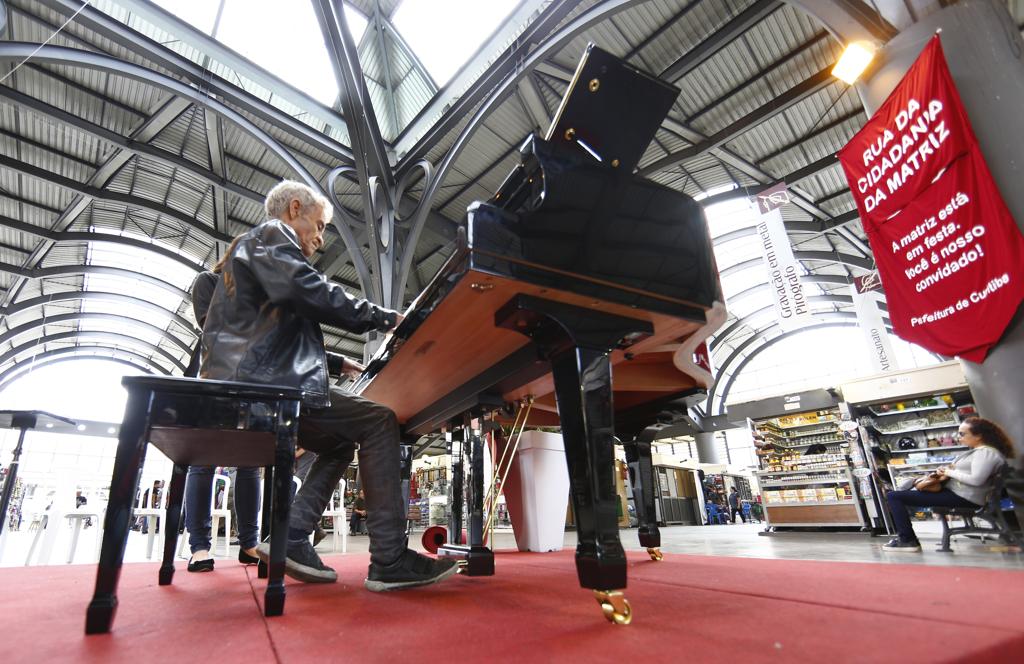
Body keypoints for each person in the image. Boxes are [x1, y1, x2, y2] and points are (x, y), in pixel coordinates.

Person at [200, 180, 457, 591]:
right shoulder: (272, 234)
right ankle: (389, 558)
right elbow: (308, 291)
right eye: (318, 226)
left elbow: (269, 327)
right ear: (294, 209)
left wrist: (336, 361)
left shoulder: (248, 252)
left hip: (250, 381)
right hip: (267, 388)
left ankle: (294, 536)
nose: (319, 240)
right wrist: (386, 318)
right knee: (379, 421)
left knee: (339, 443)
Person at [183, 239, 263, 573]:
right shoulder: (208, 282)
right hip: (212, 383)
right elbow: (212, 327)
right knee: (202, 463)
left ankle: (249, 544)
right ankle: (199, 546)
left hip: (251, 388)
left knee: (249, 466)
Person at [883, 416, 1015, 552]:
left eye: (963, 434)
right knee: (899, 494)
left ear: (979, 435)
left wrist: (949, 472)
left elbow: (977, 480)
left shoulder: (985, 453)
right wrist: (947, 471)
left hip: (964, 497)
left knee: (894, 496)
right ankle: (906, 536)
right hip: (960, 494)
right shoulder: (982, 452)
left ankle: (907, 540)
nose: (959, 437)